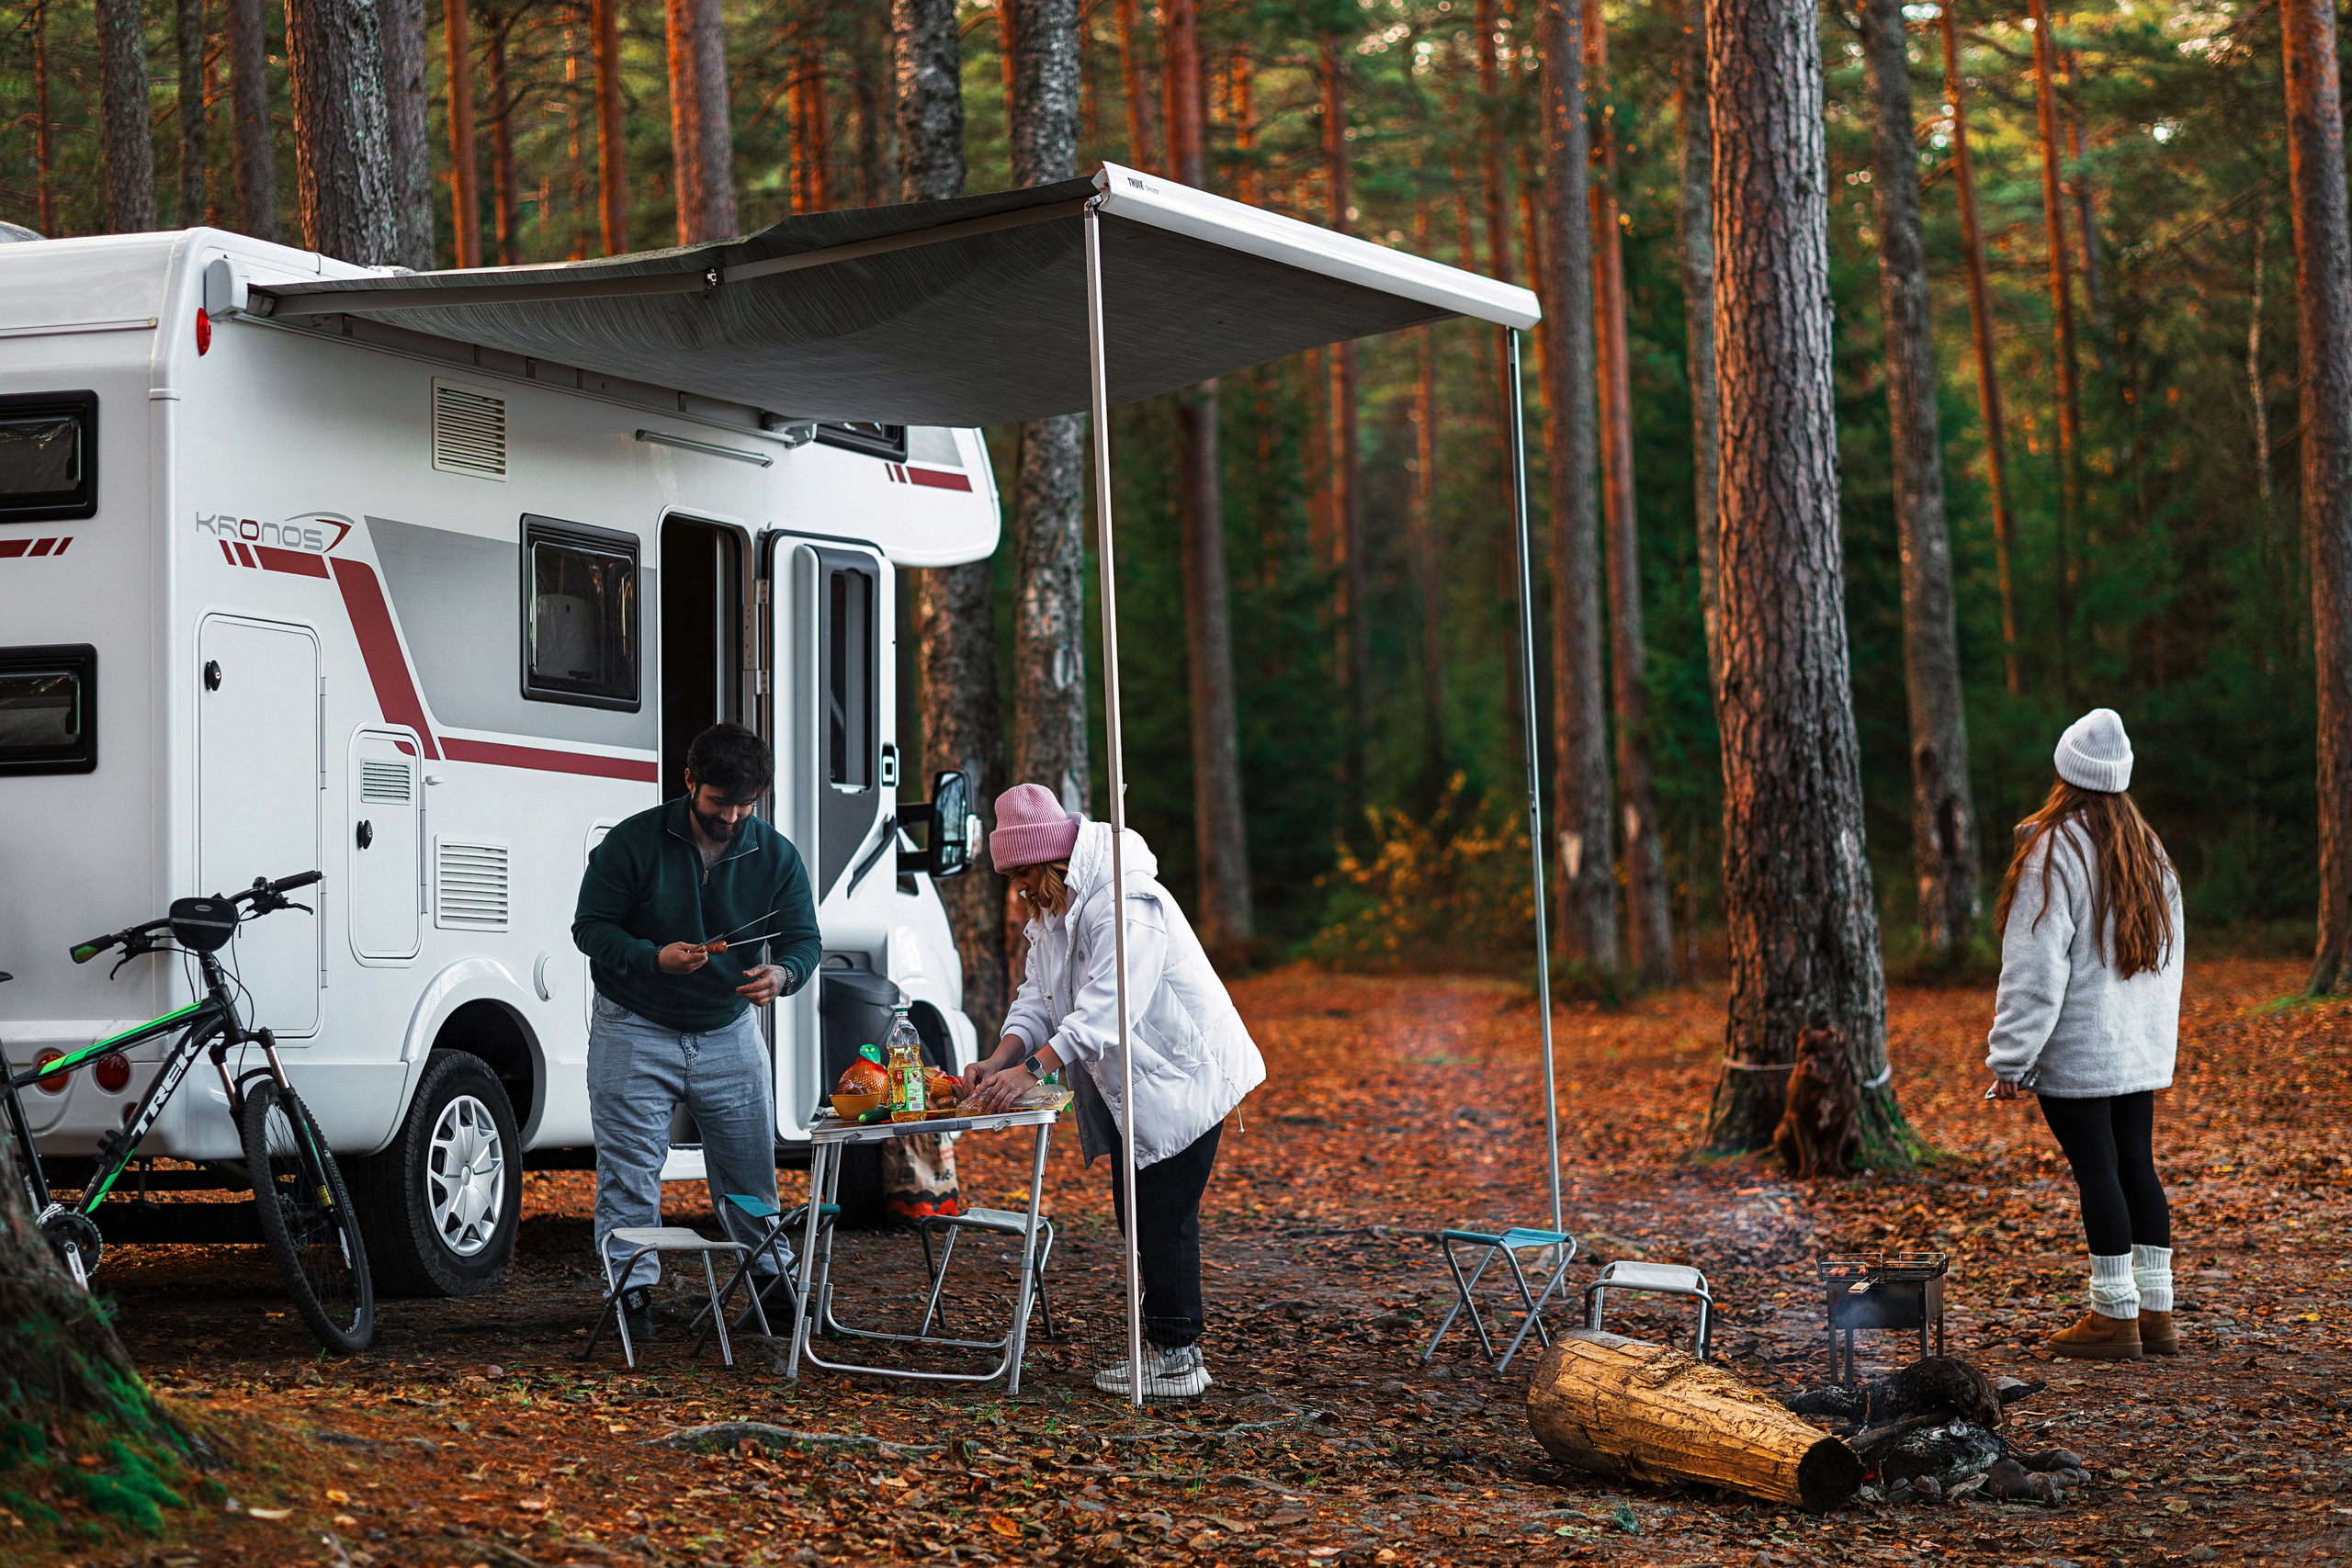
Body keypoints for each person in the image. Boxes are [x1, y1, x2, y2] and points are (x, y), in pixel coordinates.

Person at [965, 783, 1265, 1398]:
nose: (1019, 889)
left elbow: (1108, 1010)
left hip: (1185, 1073)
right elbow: (1040, 998)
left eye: (1024, 873)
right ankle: (1168, 1347)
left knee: (1162, 1216)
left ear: (1050, 860)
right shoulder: (1055, 909)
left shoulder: (1125, 901)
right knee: (1140, 1211)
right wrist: (1000, 1056)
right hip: (1145, 1080)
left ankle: (1180, 1359)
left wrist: (1036, 1071)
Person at [571, 724, 821, 1341]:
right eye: (718, 803)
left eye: (746, 806)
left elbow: (803, 940)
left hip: (728, 1029)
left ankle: (772, 1290)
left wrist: (783, 974)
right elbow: (591, 928)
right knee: (630, 1171)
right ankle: (629, 1296)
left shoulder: (777, 854)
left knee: (748, 1171)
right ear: (689, 783)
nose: (732, 817)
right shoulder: (633, 843)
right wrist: (653, 957)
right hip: (634, 1023)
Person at [1985, 708, 2184, 1362]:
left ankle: (2114, 1314)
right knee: (2136, 1167)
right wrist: (2154, 1045)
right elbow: (2166, 962)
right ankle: (2156, 1312)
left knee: (2097, 1170)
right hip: (2133, 1051)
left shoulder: (2053, 848)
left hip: (2079, 1050)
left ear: (2065, 771)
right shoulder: (2148, 848)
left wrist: (2010, 1057)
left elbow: (2034, 966)